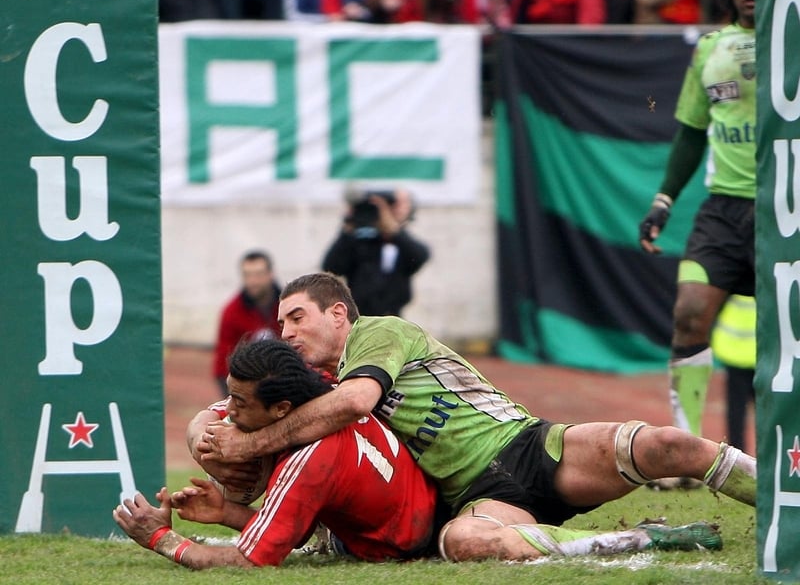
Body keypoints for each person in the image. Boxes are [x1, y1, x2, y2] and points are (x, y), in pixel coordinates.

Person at [198, 272, 756, 562]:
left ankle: (784, 499)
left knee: (664, 445)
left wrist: (246, 448)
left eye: (297, 317)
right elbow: (217, 413)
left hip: (530, 447)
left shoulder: (379, 335)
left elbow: (356, 403)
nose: (287, 332)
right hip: (474, 497)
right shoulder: (308, 386)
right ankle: (647, 541)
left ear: (339, 314)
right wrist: (207, 435)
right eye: (282, 322)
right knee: (469, 545)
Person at [113, 339, 444, 568]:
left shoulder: (307, 462)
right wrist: (224, 507)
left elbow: (250, 560)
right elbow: (294, 530)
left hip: (397, 546)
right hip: (425, 502)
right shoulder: (323, 390)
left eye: (239, 403)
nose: (229, 410)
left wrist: (160, 538)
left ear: (281, 409)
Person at [637, 0, 755, 462]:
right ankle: (686, 448)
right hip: (722, 212)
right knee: (689, 312)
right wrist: (663, 201)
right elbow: (690, 132)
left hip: (785, 210)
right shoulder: (711, 47)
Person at [322, 189, 430, 317]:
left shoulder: (401, 243)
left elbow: (419, 257)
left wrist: (393, 229)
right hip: (359, 314)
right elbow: (331, 267)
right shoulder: (359, 241)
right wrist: (349, 226)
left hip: (392, 314)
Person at [213, 250, 282, 397]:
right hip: (249, 387)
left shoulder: (289, 305)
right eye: (247, 275)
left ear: (271, 274)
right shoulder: (231, 311)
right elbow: (222, 363)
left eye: (258, 274)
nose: (253, 281)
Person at [710, 294, 756, 453]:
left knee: (736, 410)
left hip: (736, 353)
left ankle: (736, 456)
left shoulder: (735, 277)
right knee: (767, 411)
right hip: (760, 357)